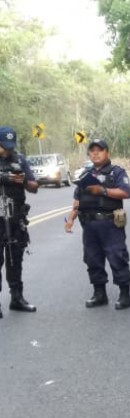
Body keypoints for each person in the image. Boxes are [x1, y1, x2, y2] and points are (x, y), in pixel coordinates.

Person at [64, 139, 130, 310]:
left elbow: (125, 192)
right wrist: (71, 218)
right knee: (92, 259)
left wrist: (102, 190)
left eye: (99, 150)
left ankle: (125, 294)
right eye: (92, 151)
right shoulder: (85, 175)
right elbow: (78, 199)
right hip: (89, 225)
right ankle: (99, 293)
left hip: (110, 223)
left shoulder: (116, 172)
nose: (95, 153)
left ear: (107, 153)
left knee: (117, 258)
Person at [0, 126, 38, 317]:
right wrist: (4, 177)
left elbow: (34, 187)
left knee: (16, 260)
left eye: (10, 147)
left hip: (16, 219)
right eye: (4, 147)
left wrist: (22, 181)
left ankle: (17, 298)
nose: (8, 150)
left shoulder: (20, 159)